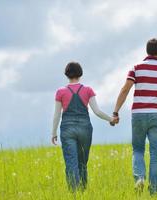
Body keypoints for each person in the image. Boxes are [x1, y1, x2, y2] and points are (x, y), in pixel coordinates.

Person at [112, 38, 157, 195]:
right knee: (156, 154)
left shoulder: (136, 68)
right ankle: (154, 192)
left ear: (147, 50)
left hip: (138, 115)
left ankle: (139, 178)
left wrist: (116, 111)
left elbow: (125, 90)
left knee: (137, 150)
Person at [51, 62, 118, 191]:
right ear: (80, 73)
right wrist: (111, 119)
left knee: (71, 163)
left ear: (67, 74)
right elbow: (97, 111)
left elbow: (57, 115)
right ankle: (82, 191)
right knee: (82, 163)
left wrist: (53, 133)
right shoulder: (88, 90)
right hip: (85, 129)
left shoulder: (60, 92)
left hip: (67, 129)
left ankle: (74, 194)